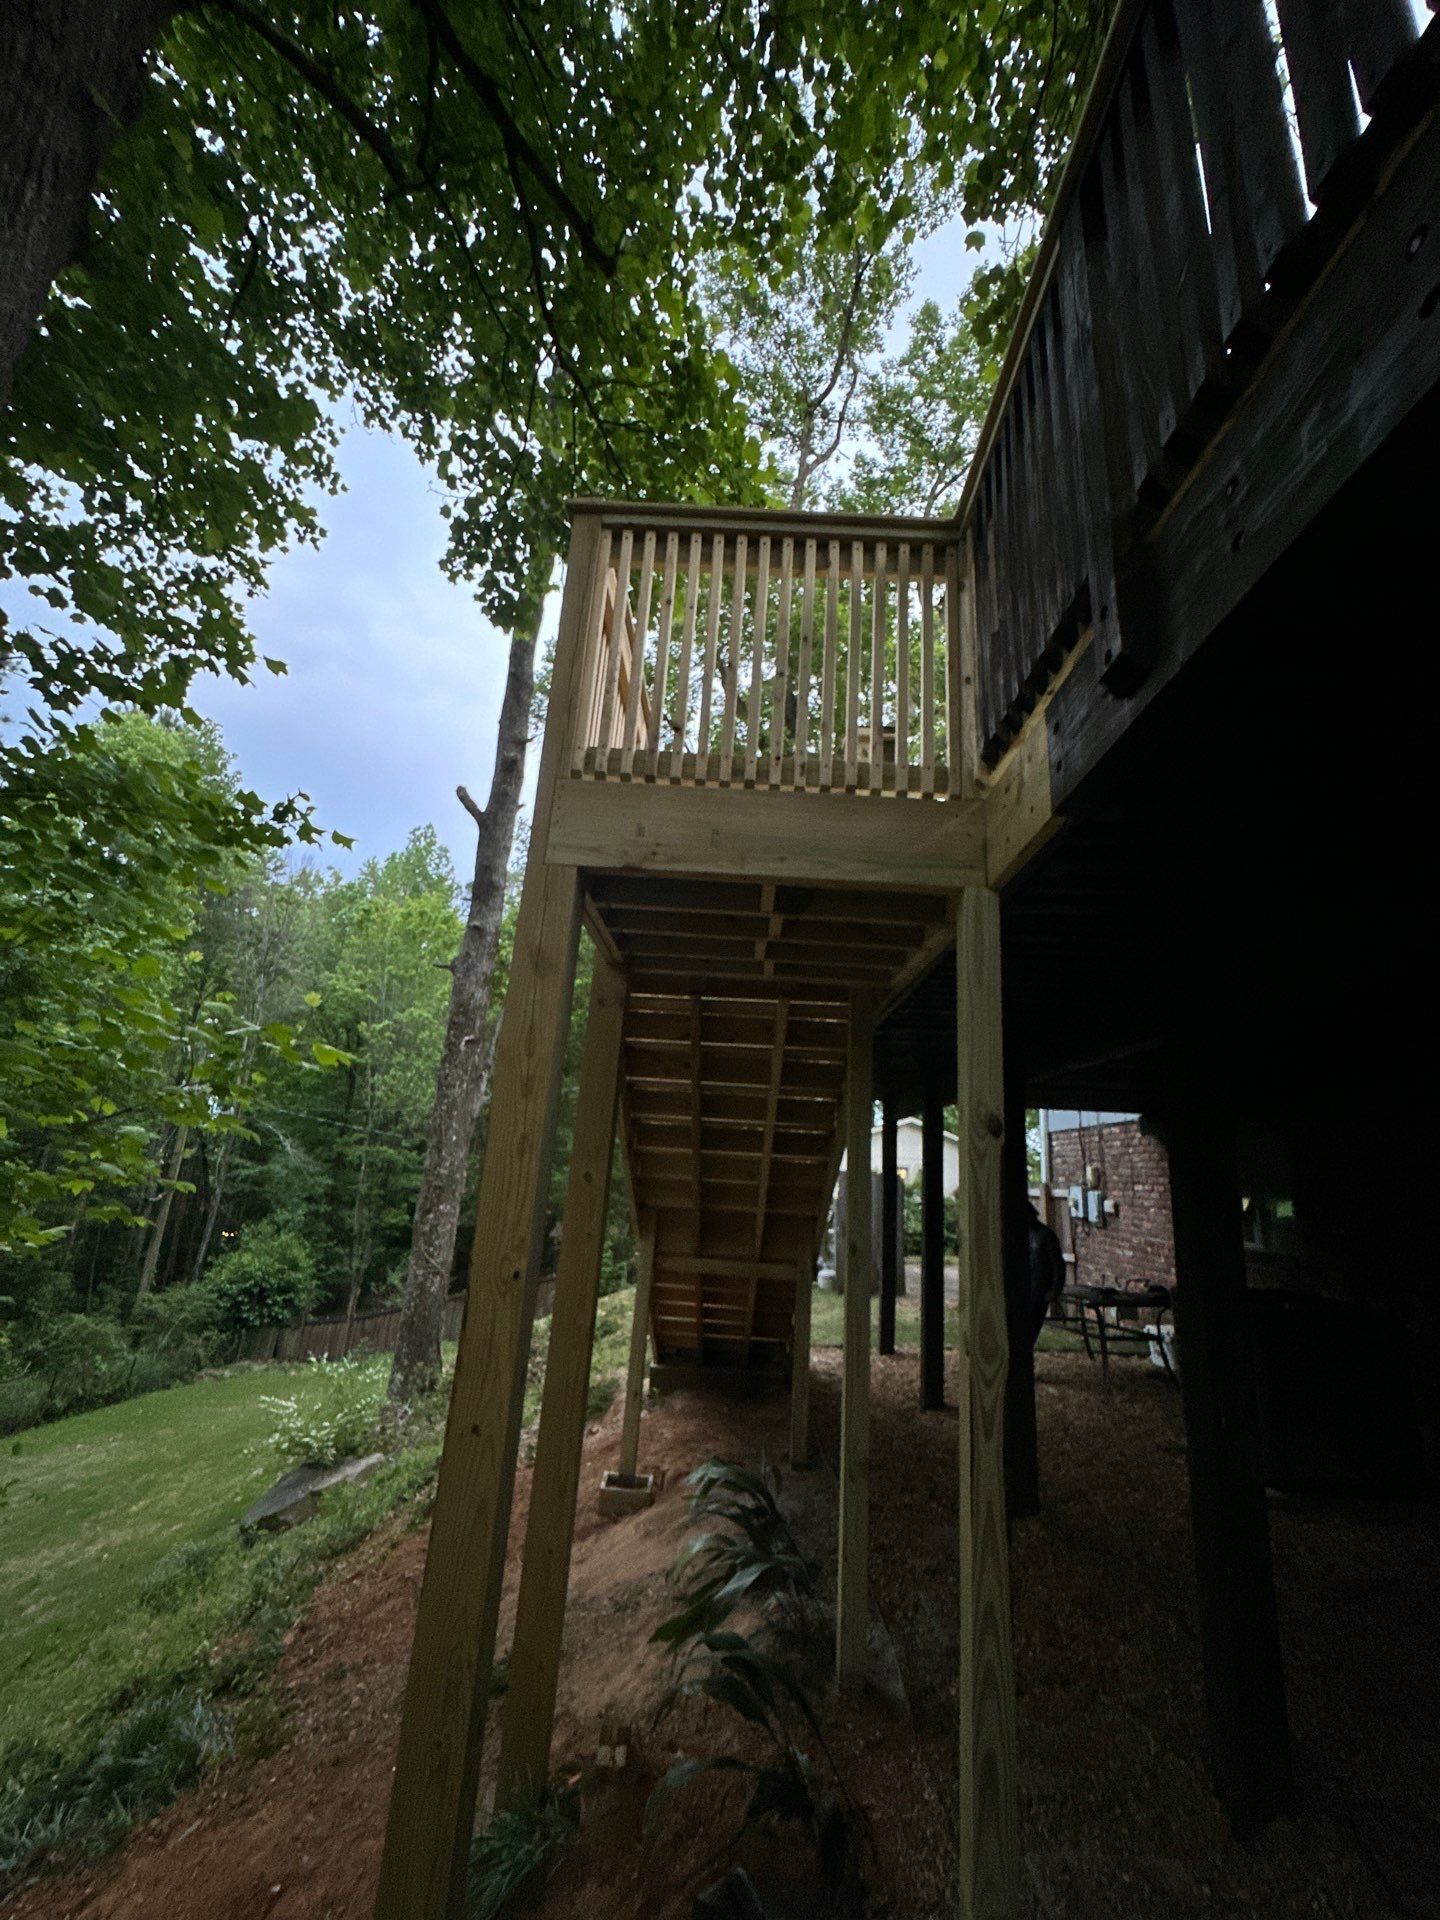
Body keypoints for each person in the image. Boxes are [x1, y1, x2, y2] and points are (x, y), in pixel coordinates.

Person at [1026, 1199, 1066, 1347]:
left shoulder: (1045, 1235)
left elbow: (1058, 1265)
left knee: (1032, 1327)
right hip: (1025, 1289)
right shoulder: (1020, 1236)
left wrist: (1054, 1290)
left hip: (1039, 1290)